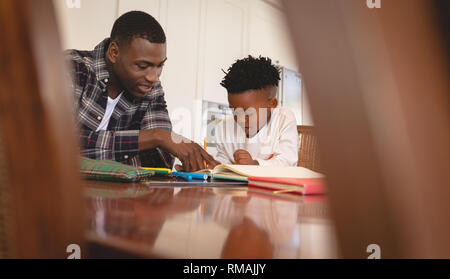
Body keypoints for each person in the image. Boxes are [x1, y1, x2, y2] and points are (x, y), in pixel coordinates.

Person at [65, 11, 218, 171]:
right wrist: (155, 136)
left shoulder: (150, 88)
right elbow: (51, 144)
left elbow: (160, 160)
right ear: (114, 53)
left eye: (160, 66)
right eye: (142, 66)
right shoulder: (71, 69)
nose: (153, 77)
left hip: (118, 194)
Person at [215, 55, 299, 166]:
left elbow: (288, 162)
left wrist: (254, 164)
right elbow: (222, 164)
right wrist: (211, 165)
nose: (240, 119)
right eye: (235, 111)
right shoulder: (223, 128)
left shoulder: (284, 119)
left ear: (271, 104)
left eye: (248, 113)